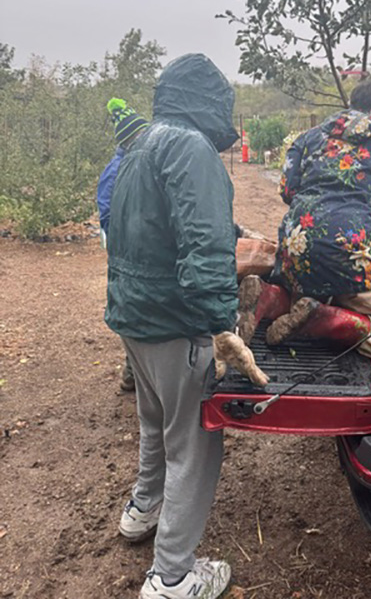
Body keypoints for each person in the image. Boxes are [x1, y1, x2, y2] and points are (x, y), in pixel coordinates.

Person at [105, 54, 238, 599]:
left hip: (134, 315)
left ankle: (143, 509)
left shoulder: (140, 145)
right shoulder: (191, 147)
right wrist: (220, 324)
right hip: (176, 322)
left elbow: (140, 227)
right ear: (211, 103)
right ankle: (174, 577)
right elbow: (205, 246)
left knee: (154, 424)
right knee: (195, 445)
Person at [238, 80, 371, 360]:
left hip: (296, 244)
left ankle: (269, 297)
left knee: (307, 287)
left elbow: (287, 191)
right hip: (348, 249)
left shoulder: (308, 137)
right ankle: (326, 319)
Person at [97, 98, 149, 392]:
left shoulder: (138, 162)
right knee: (131, 307)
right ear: (130, 138)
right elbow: (106, 215)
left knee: (139, 307)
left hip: (140, 250)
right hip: (125, 253)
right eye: (141, 134)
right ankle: (132, 372)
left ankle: (133, 371)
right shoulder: (115, 170)